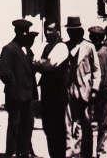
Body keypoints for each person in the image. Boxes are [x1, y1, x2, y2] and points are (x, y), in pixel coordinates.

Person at [0, 19, 39, 158]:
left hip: (28, 94)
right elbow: (4, 72)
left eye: (26, 32)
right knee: (15, 124)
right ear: (16, 32)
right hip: (15, 95)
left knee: (28, 124)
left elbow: (30, 71)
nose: (25, 35)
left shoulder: (27, 49)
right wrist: (14, 86)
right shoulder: (9, 49)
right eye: (22, 32)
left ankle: (25, 151)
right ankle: (12, 152)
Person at [64, 16, 101, 158]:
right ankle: (69, 150)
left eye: (74, 31)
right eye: (69, 31)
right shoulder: (65, 46)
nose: (71, 33)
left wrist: (94, 89)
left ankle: (82, 150)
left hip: (84, 89)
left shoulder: (89, 46)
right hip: (68, 88)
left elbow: (96, 70)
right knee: (67, 121)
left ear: (80, 31)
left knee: (83, 121)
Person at [34, 22, 69, 158]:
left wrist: (38, 63)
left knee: (57, 128)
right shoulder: (47, 47)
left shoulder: (61, 47)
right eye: (46, 30)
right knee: (48, 127)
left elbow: (49, 65)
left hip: (57, 94)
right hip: (47, 93)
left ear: (58, 32)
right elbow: (42, 63)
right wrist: (40, 63)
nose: (47, 33)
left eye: (50, 30)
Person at [89, 26, 107, 158]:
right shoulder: (88, 51)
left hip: (106, 92)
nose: (95, 39)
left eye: (98, 37)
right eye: (93, 37)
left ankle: (100, 150)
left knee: (104, 124)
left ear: (102, 38)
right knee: (88, 124)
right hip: (92, 92)